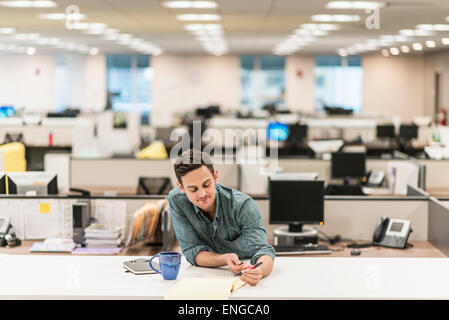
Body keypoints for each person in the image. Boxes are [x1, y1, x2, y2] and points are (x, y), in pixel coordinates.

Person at [168, 149, 275, 286]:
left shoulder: (242, 205)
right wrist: (225, 259)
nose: (202, 194)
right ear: (181, 187)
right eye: (193, 189)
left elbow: (263, 251)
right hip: (207, 273)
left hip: (247, 268)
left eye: (207, 185)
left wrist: (259, 271)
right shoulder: (177, 200)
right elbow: (191, 250)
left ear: (215, 176)